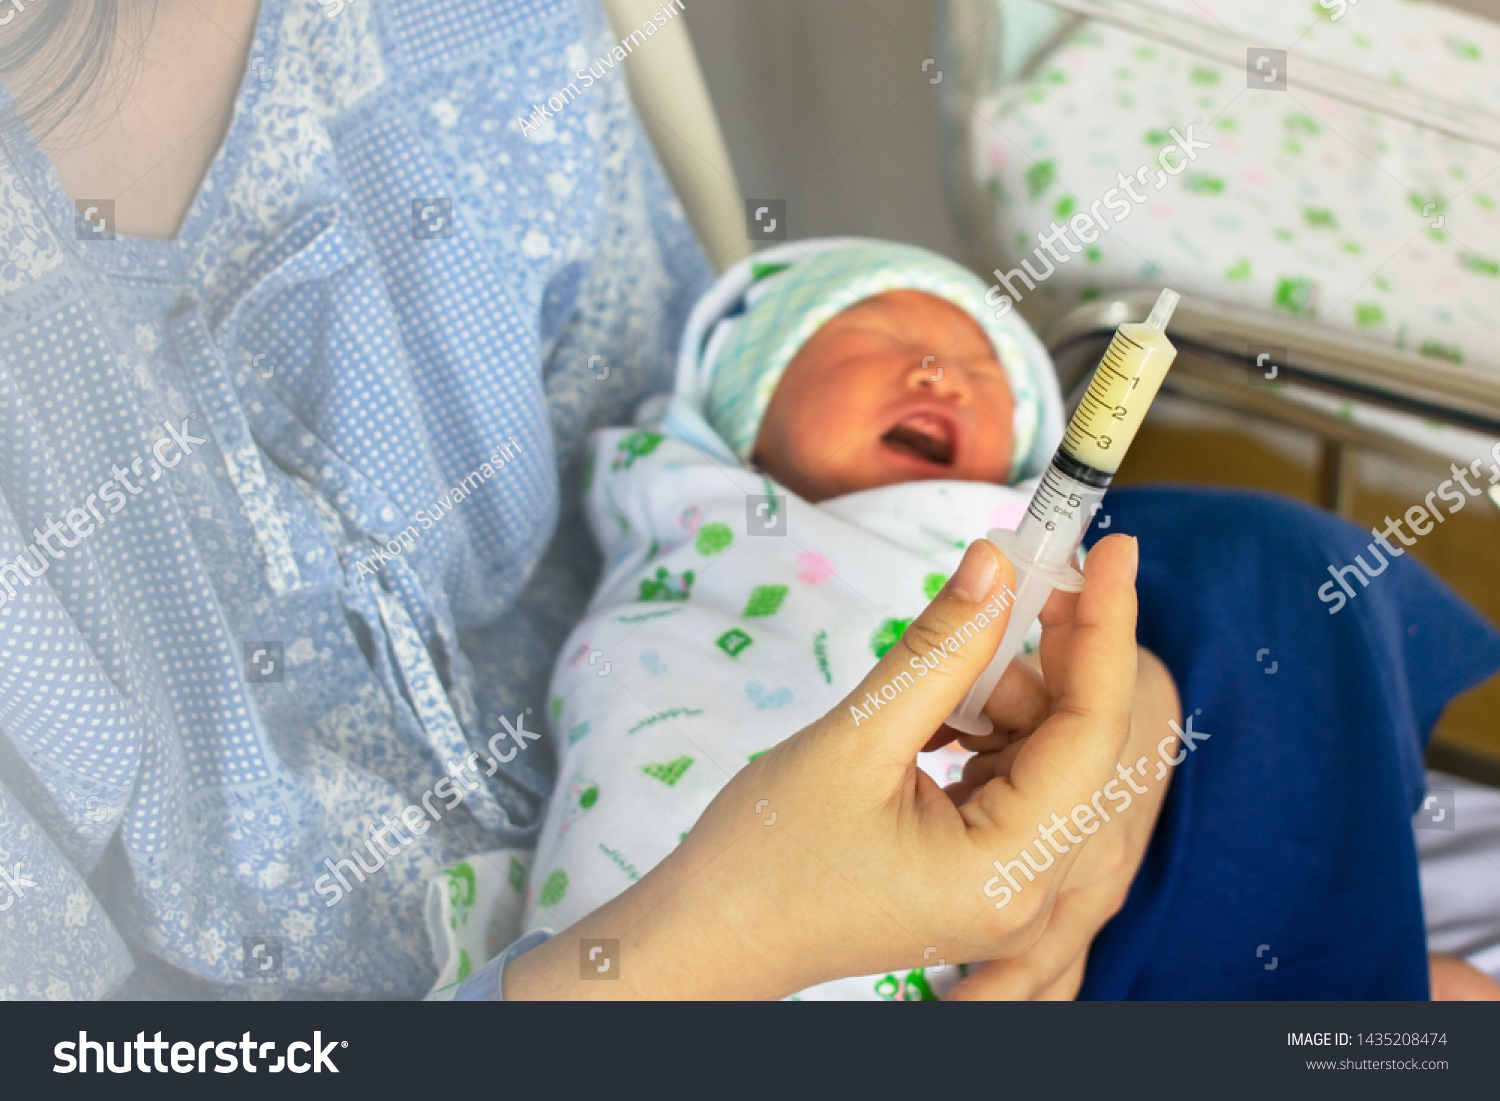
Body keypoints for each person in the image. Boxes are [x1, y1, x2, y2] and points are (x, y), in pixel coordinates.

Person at [0, 0, 1152, 999]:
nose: (937, 371)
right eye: (885, 334)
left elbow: (700, 419)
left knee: (1269, 589)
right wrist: (705, 956)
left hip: (995, 891)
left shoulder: (479, 42)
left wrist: (1133, 739)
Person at [475, 238, 1181, 1000]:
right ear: (751, 417)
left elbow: (1097, 703)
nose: (938, 375)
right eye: (886, 340)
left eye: (983, 371)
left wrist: (1141, 718)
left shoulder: (1014, 549)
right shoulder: (694, 529)